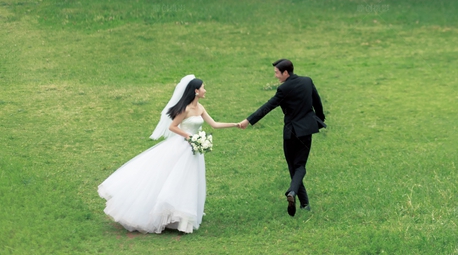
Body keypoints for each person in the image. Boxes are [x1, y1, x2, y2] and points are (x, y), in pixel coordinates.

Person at [98, 75, 238, 233]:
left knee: (190, 181)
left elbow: (214, 124)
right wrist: (189, 137)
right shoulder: (185, 109)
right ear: (196, 91)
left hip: (194, 150)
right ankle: (168, 216)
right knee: (174, 179)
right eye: (203, 88)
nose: (205, 90)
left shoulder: (200, 108)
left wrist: (235, 124)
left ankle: (183, 218)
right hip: (182, 148)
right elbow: (173, 126)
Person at [239, 59, 326, 216]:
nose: (276, 76)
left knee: (293, 167)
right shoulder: (307, 81)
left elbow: (268, 106)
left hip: (291, 133)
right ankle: (298, 198)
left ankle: (301, 200)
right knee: (300, 166)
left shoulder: (284, 89)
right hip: (306, 131)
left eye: (277, 73)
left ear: (286, 72)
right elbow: (317, 101)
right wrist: (319, 119)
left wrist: (248, 121)